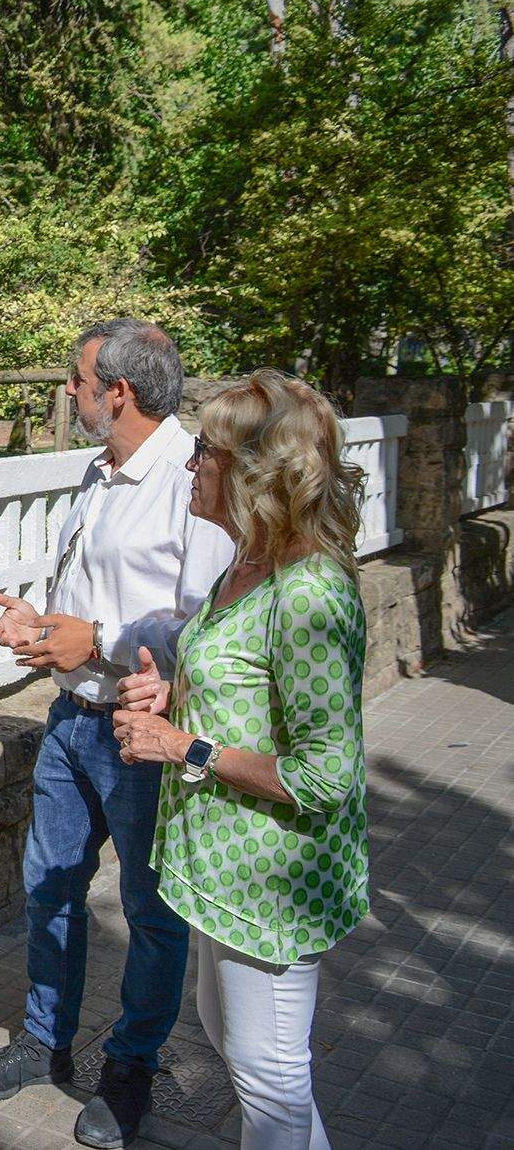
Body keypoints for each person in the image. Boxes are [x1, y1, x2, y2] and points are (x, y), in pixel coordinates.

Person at [0, 319, 234, 1149]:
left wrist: (99, 641)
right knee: (49, 887)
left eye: (76, 381)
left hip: (143, 733)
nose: (68, 392)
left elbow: (206, 631)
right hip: (71, 720)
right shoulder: (99, 469)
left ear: (118, 391)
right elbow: (92, 600)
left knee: (151, 912)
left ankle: (131, 1066)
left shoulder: (190, 476)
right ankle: (45, 1041)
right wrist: (43, 625)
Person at [113, 371, 368, 1149]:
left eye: (204, 450)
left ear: (255, 469)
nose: (191, 465)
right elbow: (250, 689)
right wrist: (175, 694)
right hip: (226, 870)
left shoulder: (308, 592)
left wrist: (182, 743)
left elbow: (325, 775)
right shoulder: (247, 562)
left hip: (273, 883)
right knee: (241, 1053)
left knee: (271, 1080)